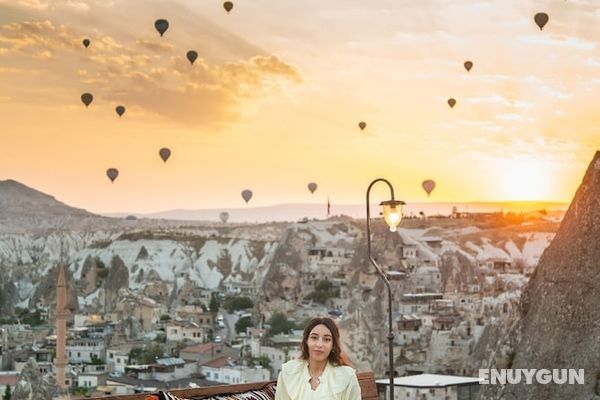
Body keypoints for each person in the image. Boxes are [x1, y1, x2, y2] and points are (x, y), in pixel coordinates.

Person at [275, 317, 361, 399]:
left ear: (333, 345)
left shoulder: (346, 377)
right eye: (314, 337)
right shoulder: (289, 373)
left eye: (326, 339)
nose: (319, 344)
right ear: (306, 341)